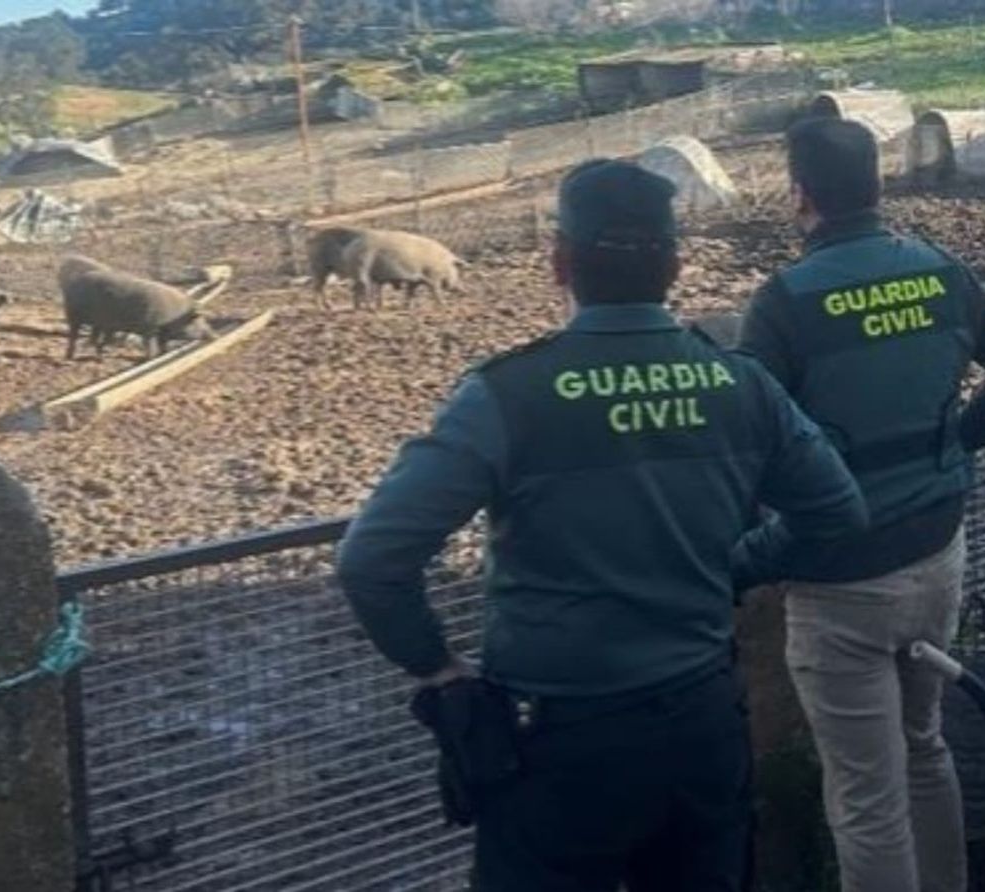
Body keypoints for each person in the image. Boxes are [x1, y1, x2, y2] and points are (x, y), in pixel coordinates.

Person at [336, 159, 870, 892]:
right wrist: (735, 568)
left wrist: (435, 665)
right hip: (704, 724)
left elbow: (371, 558)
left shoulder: (508, 392)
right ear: (676, 266)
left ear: (559, 264)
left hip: (557, 745)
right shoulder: (740, 383)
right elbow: (837, 510)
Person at [736, 118, 985, 892]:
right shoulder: (939, 272)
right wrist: (953, 447)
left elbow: (744, 452)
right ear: (877, 186)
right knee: (925, 748)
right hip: (937, 553)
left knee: (864, 793)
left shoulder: (783, 304)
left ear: (799, 196)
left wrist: (745, 560)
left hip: (839, 582)